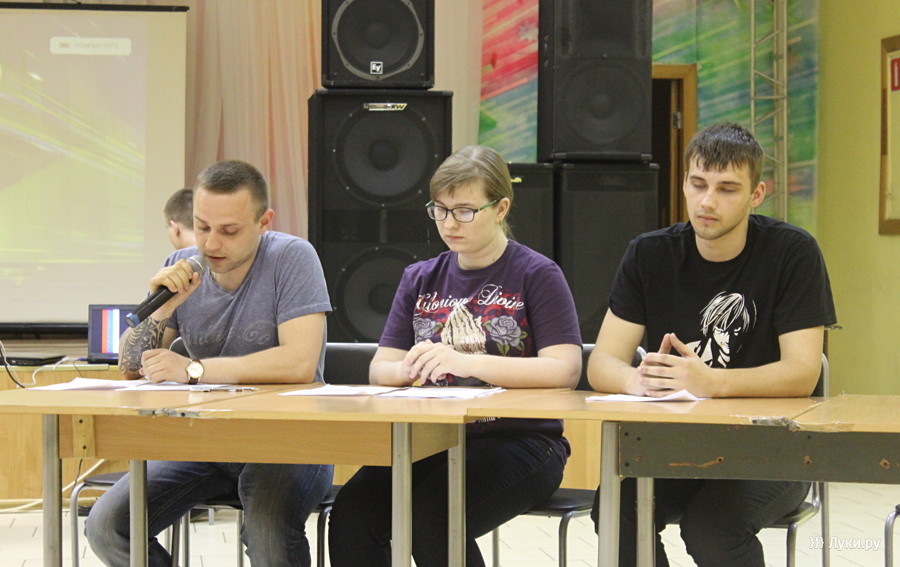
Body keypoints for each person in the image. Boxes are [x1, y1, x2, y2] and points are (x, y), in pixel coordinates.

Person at [587, 122, 837, 566]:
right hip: (679, 445)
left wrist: (710, 383)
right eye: (698, 184)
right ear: (684, 183)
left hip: (775, 449)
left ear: (756, 195)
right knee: (615, 507)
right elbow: (602, 362)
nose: (707, 201)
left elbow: (803, 372)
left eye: (727, 189)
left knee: (712, 527)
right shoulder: (649, 254)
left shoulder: (793, 252)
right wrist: (637, 381)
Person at [327, 145, 583, 567]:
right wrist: (407, 368)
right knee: (352, 515)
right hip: (430, 440)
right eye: (440, 210)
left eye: (464, 211)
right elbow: (380, 369)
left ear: (500, 208)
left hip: (521, 441)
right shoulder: (420, 277)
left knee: (435, 518)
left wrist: (465, 362)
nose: (449, 223)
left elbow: (564, 369)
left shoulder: (536, 274)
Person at [85, 160, 334, 567]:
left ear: (264, 222)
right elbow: (129, 366)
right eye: (202, 227)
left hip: (289, 438)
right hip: (205, 440)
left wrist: (192, 370)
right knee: (108, 526)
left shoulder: (292, 257)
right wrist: (162, 310)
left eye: (229, 231)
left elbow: (299, 363)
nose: (211, 243)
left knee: (267, 531)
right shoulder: (183, 264)